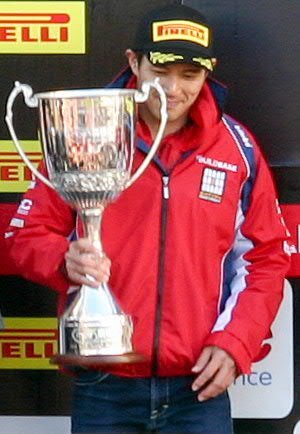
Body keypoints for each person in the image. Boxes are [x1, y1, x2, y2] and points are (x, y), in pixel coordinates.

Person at [5, 4, 291, 433]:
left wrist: (236, 343)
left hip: (198, 386)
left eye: (188, 74)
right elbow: (26, 235)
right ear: (133, 62)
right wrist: (64, 259)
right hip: (105, 385)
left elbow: (267, 257)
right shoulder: (85, 134)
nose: (172, 89)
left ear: (207, 75)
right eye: (159, 69)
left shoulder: (237, 150)